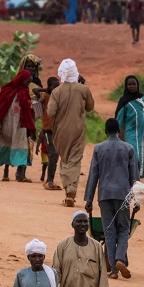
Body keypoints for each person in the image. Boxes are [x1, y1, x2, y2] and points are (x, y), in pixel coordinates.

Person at [84, 118, 139, 279]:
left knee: (109, 230)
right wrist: (137, 200)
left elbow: (93, 175)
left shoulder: (98, 148)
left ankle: (113, 271)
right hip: (123, 195)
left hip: (105, 195)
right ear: (119, 132)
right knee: (123, 229)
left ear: (106, 131)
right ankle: (120, 259)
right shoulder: (128, 148)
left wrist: (89, 199)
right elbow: (134, 176)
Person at [47, 59, 95, 205]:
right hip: (78, 129)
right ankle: (71, 190)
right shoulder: (83, 89)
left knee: (65, 160)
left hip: (60, 131)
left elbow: (50, 112)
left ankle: (68, 189)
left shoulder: (56, 91)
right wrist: (82, 87)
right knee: (74, 160)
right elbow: (90, 107)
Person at [0, 69, 37, 182]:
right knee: (7, 144)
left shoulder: (25, 92)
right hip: (7, 122)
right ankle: (5, 173)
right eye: (26, 81)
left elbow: (27, 111)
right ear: (21, 79)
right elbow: (0, 108)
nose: (27, 84)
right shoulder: (8, 90)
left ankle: (21, 175)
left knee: (22, 146)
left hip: (21, 124)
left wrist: (30, 126)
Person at [115, 75, 144, 177]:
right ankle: (132, 177)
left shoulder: (143, 98)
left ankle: (138, 179)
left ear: (137, 85)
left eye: (134, 84)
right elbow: (119, 118)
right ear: (126, 86)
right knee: (133, 155)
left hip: (143, 132)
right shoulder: (124, 101)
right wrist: (114, 133)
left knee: (142, 156)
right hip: (130, 131)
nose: (132, 86)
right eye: (129, 84)